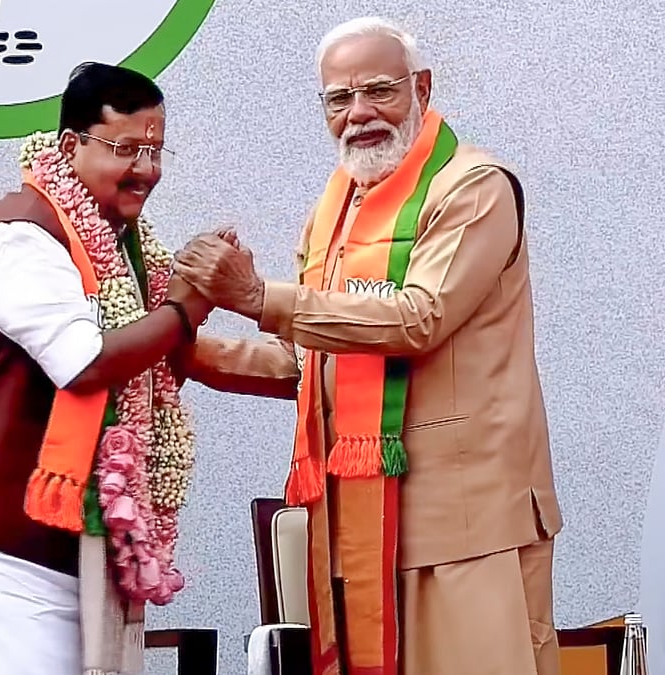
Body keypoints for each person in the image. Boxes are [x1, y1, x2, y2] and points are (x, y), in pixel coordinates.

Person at [173, 17, 563, 675]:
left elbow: (418, 319)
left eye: (379, 91)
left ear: (422, 87)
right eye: (338, 99)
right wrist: (190, 353)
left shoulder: (474, 188)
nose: (359, 115)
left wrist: (258, 297)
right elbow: (314, 362)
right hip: (357, 526)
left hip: (465, 530)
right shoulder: (336, 208)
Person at [0, 63, 214, 675]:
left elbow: (163, 354)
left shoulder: (123, 252)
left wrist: (299, 353)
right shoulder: (18, 238)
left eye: (155, 151)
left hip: (73, 555)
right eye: (125, 149)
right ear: (71, 146)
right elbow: (85, 361)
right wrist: (185, 307)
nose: (145, 169)